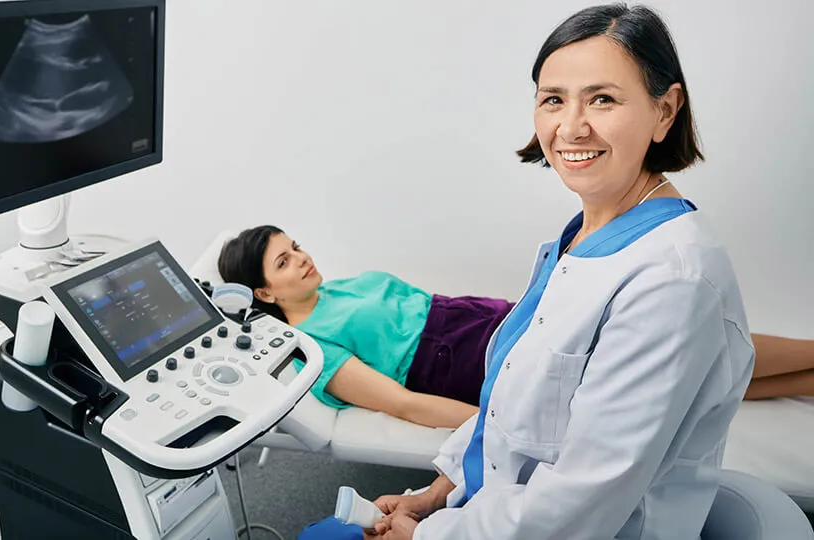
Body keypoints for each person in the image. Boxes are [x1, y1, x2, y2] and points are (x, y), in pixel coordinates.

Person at [287, 3, 778, 538]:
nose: (571, 126)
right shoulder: (581, 238)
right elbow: (508, 414)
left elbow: (578, 506)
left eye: (603, 99)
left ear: (665, 110)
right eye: (553, 100)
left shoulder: (673, 278)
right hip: (494, 509)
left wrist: (430, 535)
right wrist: (434, 495)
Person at [218, 225, 814, 429]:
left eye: (295, 244)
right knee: (660, 351)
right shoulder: (311, 348)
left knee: (656, 353)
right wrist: (493, 429)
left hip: (487, 319)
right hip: (470, 362)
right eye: (284, 260)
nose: (302, 256)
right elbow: (402, 405)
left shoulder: (337, 286)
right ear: (265, 292)